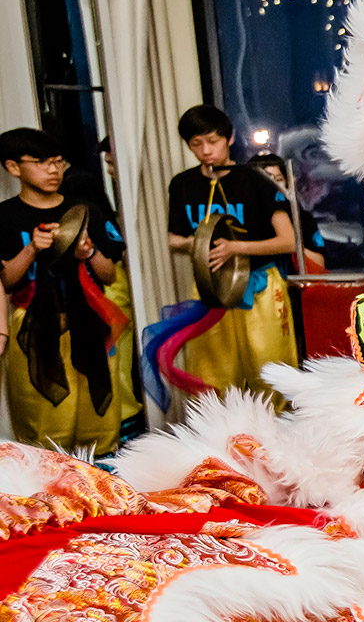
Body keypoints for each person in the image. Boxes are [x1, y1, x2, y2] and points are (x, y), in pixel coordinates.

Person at [0, 127, 138, 453]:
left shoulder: (86, 209)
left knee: (97, 416)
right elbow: (7, 281)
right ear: (13, 167)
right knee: (44, 416)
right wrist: (32, 248)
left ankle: (103, 485)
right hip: (31, 325)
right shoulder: (4, 217)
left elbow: (108, 276)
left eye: (58, 162)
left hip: (89, 320)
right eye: (41, 162)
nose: (53, 170)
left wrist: (89, 253)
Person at [166, 106, 298, 400]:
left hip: (260, 286)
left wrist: (235, 247)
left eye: (213, 141)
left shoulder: (256, 180)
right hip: (211, 287)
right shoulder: (183, 184)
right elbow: (173, 240)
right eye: (196, 144)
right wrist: (200, 243)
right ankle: (222, 435)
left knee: (269, 364)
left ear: (230, 138)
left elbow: (288, 241)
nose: (206, 151)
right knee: (212, 370)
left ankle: (278, 433)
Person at [248, 152, 327, 274]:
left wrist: (288, 244)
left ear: (288, 182)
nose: (272, 187)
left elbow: (319, 263)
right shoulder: (244, 219)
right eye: (265, 181)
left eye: (278, 180)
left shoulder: (302, 218)